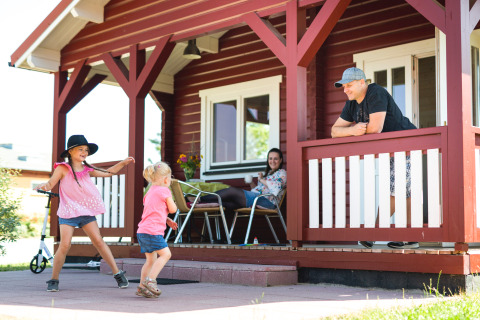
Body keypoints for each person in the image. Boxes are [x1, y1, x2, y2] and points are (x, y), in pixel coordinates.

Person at [331, 67, 418, 250]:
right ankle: (411, 238)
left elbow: (375, 128)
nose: (345, 89)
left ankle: (373, 232)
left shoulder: (375, 92)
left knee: (398, 190)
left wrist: (350, 132)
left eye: (349, 85)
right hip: (389, 150)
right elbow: (334, 131)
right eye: (343, 86)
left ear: (362, 82)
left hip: (407, 144)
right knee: (404, 192)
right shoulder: (352, 103)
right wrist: (353, 130)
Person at [35, 134, 135, 292]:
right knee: (65, 245)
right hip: (68, 212)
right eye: (80, 149)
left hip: (86, 212)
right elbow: (50, 183)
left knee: (99, 241)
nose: (84, 152)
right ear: (70, 152)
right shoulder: (62, 168)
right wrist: (42, 185)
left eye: (86, 150)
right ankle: (54, 279)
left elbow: (108, 173)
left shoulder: (88, 169)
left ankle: (118, 274)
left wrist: (123, 163)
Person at [135, 161, 178, 298]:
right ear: (166, 179)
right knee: (166, 254)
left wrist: (166, 219)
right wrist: (173, 204)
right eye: (170, 177)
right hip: (153, 232)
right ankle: (151, 281)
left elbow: (153, 211)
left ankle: (142, 287)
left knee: (150, 260)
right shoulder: (165, 191)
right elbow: (173, 209)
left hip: (143, 231)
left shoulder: (149, 192)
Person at [199, 148, 287, 212]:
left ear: (280, 160)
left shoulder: (282, 173)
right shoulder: (269, 174)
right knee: (228, 203)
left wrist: (261, 179)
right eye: (270, 158)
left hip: (268, 203)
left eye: (275, 159)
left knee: (232, 191)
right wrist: (251, 183)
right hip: (258, 199)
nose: (272, 161)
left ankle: (199, 199)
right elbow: (257, 190)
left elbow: (276, 187)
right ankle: (199, 204)